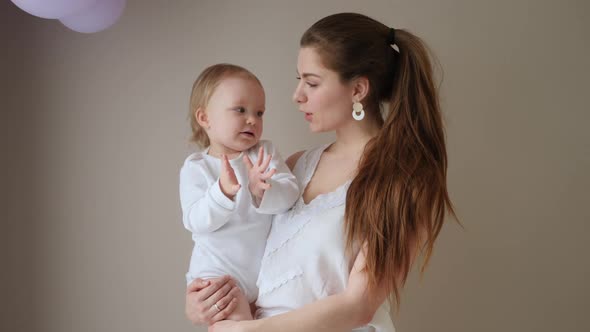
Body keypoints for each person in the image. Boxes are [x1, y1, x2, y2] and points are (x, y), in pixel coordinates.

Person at [185, 13, 457, 332]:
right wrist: (203, 302)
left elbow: (360, 305)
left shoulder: (404, 179)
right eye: (298, 79)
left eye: (312, 82)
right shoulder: (295, 167)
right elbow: (252, 265)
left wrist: (248, 330)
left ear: (358, 90)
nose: (297, 95)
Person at [179, 63, 300, 322]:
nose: (252, 120)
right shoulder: (197, 168)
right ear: (205, 118)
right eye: (240, 110)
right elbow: (195, 221)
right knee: (235, 324)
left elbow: (290, 194)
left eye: (259, 112)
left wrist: (262, 191)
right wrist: (221, 193)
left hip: (265, 274)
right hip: (218, 274)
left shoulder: (263, 153)